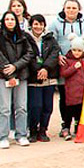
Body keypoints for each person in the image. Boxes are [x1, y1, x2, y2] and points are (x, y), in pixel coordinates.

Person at [49, 0, 84, 139]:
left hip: (81, 65)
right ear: (63, 9)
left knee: (81, 97)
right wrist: (57, 55)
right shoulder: (55, 24)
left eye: (74, 8)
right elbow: (50, 40)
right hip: (64, 64)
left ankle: (79, 123)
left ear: (79, 9)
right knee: (64, 97)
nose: (71, 10)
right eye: (68, 8)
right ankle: (65, 124)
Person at [0, 11, 34, 149]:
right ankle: (2, 137)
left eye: (12, 19)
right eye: (7, 19)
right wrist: (10, 75)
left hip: (21, 75)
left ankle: (21, 135)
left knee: (21, 107)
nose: (10, 21)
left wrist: (16, 66)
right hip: (2, 77)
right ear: (3, 21)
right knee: (4, 108)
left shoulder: (23, 37)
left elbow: (29, 53)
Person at [26, 14, 60, 143]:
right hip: (33, 77)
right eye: (35, 24)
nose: (38, 27)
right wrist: (38, 69)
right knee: (35, 106)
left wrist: (46, 68)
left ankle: (43, 130)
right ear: (31, 25)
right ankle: (33, 130)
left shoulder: (50, 39)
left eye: (40, 24)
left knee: (47, 106)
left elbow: (54, 53)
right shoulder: (26, 39)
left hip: (49, 76)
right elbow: (28, 55)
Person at [58, 34, 84, 140]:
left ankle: (78, 128)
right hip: (70, 92)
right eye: (74, 50)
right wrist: (73, 68)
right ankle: (66, 128)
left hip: (82, 92)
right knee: (68, 112)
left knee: (79, 112)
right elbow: (64, 73)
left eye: (79, 51)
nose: (76, 53)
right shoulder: (66, 60)